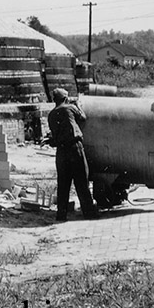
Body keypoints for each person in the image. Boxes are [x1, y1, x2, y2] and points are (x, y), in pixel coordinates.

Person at [44, 88, 98, 222]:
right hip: (75, 149)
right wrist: (78, 105)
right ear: (65, 99)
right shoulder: (70, 108)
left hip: (61, 152)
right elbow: (83, 118)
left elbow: (55, 135)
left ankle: (61, 215)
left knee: (63, 184)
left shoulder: (51, 115)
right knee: (81, 182)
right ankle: (89, 213)